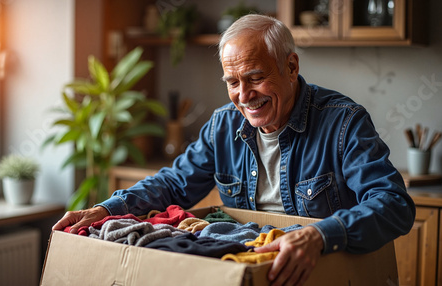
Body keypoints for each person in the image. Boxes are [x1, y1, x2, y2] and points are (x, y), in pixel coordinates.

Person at [53, 14, 415, 286]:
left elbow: (394, 204)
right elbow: (174, 185)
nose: (244, 96)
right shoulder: (223, 124)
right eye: (233, 82)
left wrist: (320, 235)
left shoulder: (344, 121)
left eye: (256, 77)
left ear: (291, 66)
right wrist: (105, 209)